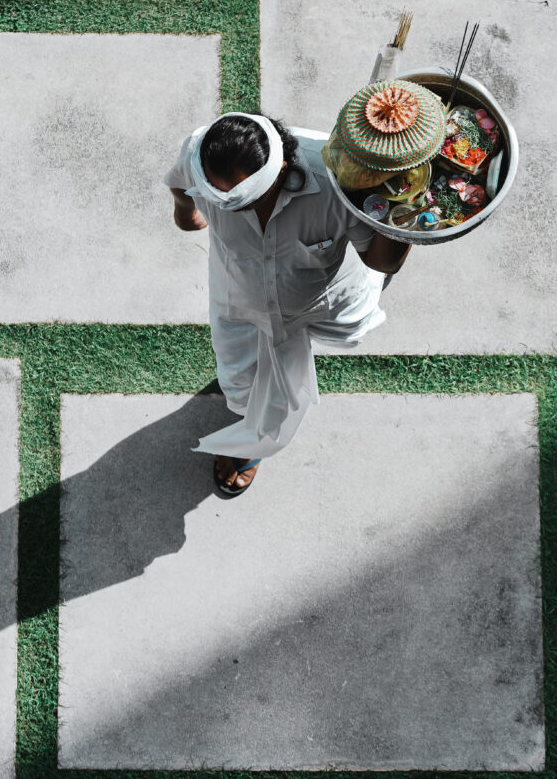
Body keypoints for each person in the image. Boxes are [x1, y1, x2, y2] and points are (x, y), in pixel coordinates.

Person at [165, 111, 410, 496]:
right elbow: (181, 186)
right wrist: (188, 212)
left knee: (358, 318)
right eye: (217, 198)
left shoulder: (338, 180)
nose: (229, 209)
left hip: (327, 301)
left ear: (282, 170)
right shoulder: (198, 151)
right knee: (242, 390)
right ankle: (254, 446)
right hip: (240, 302)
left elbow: (382, 261)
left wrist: (405, 215)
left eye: (242, 201)